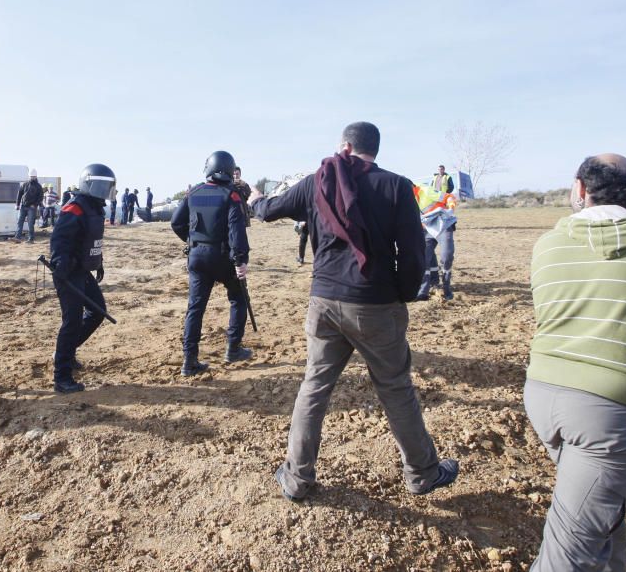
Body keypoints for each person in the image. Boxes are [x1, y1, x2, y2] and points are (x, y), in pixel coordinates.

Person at [248, 121, 458, 500]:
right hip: (376, 303)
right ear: (376, 150)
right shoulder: (396, 185)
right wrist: (403, 294)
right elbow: (412, 253)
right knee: (396, 389)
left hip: (324, 301)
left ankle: (296, 478)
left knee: (314, 387)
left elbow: (269, 210)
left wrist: (254, 199)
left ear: (345, 145)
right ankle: (423, 474)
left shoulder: (318, 180)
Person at [525, 154, 626, 571]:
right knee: (568, 554)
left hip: (543, 396)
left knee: (600, 508)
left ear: (580, 190)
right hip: (609, 413)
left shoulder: (548, 244)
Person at [170, 151, 252, 376]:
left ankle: (189, 361)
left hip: (197, 256)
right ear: (229, 170)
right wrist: (241, 259)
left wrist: (192, 239)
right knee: (238, 299)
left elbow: (176, 223)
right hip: (223, 256)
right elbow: (237, 231)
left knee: (195, 308)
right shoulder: (231, 195)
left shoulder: (193, 192)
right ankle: (233, 348)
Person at [49, 163, 116, 393]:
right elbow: (59, 240)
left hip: (82, 271)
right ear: (90, 183)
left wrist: (98, 263)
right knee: (72, 321)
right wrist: (61, 263)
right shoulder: (74, 208)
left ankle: (65, 352)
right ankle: (62, 377)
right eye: (101, 184)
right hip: (68, 273)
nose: (104, 189)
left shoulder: (95, 208)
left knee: (97, 311)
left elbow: (92, 239)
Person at [413, 183, 458, 300]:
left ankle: (446, 287)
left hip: (442, 225)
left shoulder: (426, 191)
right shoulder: (406, 199)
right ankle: (423, 291)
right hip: (426, 230)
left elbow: (449, 197)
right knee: (424, 258)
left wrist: (450, 208)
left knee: (446, 256)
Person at [14, 169, 44, 243]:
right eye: (31, 176)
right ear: (29, 176)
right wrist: (17, 204)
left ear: (36, 177)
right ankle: (18, 237)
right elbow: (19, 194)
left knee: (30, 223)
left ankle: (31, 239)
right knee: (20, 221)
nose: (32, 178)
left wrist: (35, 205)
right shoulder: (25, 184)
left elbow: (40, 197)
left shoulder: (38, 186)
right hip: (23, 206)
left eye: (34, 176)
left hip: (32, 207)